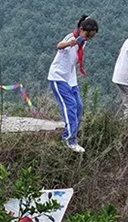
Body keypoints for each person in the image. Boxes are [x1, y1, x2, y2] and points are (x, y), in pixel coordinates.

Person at [48, 14, 99, 153]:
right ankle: (69, 139)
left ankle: (73, 133)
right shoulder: (71, 37)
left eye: (91, 37)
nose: (88, 38)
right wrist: (73, 42)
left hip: (70, 78)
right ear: (81, 30)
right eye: (87, 35)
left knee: (79, 106)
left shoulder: (83, 41)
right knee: (70, 106)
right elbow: (59, 45)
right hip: (58, 77)